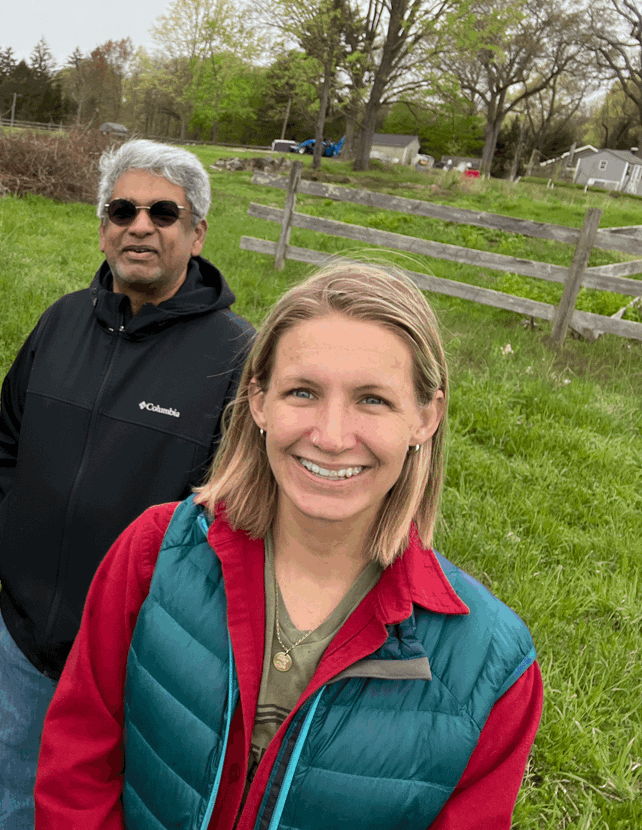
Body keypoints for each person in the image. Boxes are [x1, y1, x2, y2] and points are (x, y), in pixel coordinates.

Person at [34, 263, 544, 830]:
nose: (329, 436)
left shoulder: (492, 666)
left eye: (372, 400)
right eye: (303, 391)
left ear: (426, 417)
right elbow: (78, 763)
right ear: (258, 400)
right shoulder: (155, 552)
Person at [0, 139, 256, 829]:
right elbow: (7, 444)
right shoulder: (60, 322)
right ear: (102, 225)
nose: (140, 226)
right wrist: (13, 542)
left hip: (142, 658)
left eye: (163, 212)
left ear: (196, 234)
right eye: (122, 209)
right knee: (16, 799)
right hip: (26, 638)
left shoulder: (235, 358)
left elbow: (239, 511)